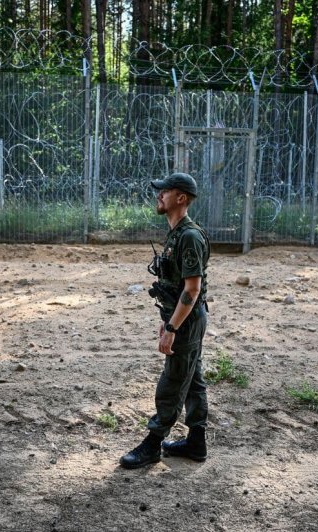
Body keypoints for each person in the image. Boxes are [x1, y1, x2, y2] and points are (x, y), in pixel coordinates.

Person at [120, 172, 211, 469]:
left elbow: (193, 288)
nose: (159, 196)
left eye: (165, 191)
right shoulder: (177, 233)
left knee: (173, 380)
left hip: (186, 321)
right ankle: (196, 441)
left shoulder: (189, 236)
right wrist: (168, 318)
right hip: (181, 317)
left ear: (181, 198)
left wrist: (172, 327)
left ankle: (152, 443)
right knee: (192, 378)